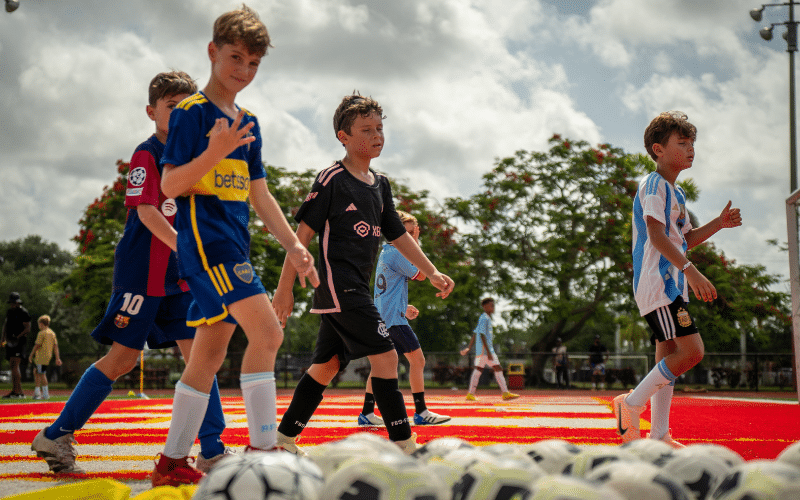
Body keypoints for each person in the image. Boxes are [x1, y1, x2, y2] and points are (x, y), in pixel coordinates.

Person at [31, 71, 233, 476]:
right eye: (171, 106)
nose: (180, 115)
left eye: (187, 107)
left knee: (202, 359)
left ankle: (212, 448)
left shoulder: (197, 157)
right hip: (142, 274)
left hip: (181, 279)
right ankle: (56, 433)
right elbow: (147, 211)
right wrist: (187, 247)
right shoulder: (147, 154)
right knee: (122, 359)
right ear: (151, 111)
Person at [150, 6, 318, 487]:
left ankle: (171, 461)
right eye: (235, 58)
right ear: (212, 52)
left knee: (208, 354)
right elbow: (169, 187)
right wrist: (213, 152)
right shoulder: (190, 114)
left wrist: (293, 245)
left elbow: (259, 194)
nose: (243, 71)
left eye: (253, 63)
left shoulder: (250, 122)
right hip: (208, 245)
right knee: (268, 335)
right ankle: (264, 450)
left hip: (234, 245)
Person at [272, 93, 455, 455]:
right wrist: (284, 290)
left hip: (354, 290)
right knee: (386, 357)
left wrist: (431, 271)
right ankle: (405, 444)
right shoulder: (332, 179)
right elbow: (301, 239)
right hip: (339, 288)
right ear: (343, 136)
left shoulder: (381, 184)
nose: (377, 136)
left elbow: (398, 235)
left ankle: (283, 439)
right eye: (366, 129)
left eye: (380, 128)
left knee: (326, 366)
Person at [613, 111, 741, 448]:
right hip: (659, 283)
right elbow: (657, 237)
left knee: (667, 353)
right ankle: (631, 404)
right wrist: (691, 271)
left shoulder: (677, 193)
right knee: (692, 351)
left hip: (669, 282)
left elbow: (685, 238)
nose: (690, 149)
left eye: (692, 143)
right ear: (658, 149)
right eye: (681, 143)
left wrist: (719, 223)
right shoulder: (653, 186)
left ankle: (658, 435)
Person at [359, 210, 451, 427]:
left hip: (386, 316)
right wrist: (416, 243)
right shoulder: (398, 252)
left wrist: (402, 307)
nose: (409, 237)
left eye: (412, 233)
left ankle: (367, 413)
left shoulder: (386, 252)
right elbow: (421, 275)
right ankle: (420, 411)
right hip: (393, 321)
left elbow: (387, 289)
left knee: (380, 367)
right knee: (418, 360)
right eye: (406, 233)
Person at [460, 297, 519, 401]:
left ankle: (470, 394)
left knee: (478, 370)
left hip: (482, 350)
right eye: (491, 305)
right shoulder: (485, 318)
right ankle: (505, 393)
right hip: (485, 350)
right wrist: (488, 352)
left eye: (493, 305)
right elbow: (481, 335)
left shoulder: (484, 318)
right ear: (485, 306)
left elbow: (475, 333)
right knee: (498, 368)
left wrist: (469, 348)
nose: (493, 307)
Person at [2, 292, 30, 398]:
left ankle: (17, 391)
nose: (12, 305)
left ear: (18, 302)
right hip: (9, 341)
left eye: (14, 303)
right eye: (11, 303)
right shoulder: (9, 312)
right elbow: (5, 325)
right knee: (12, 365)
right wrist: (3, 338)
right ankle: (18, 391)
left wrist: (17, 337)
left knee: (15, 365)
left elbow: (28, 328)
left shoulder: (24, 312)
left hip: (19, 342)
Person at [28, 315, 61, 400]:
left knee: (42, 374)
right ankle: (37, 392)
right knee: (36, 371)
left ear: (41, 324)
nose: (39, 326)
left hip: (41, 356)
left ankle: (44, 394)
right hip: (48, 356)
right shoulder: (52, 333)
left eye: (39, 324)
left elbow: (37, 345)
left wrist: (31, 354)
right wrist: (57, 358)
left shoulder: (41, 333)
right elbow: (55, 346)